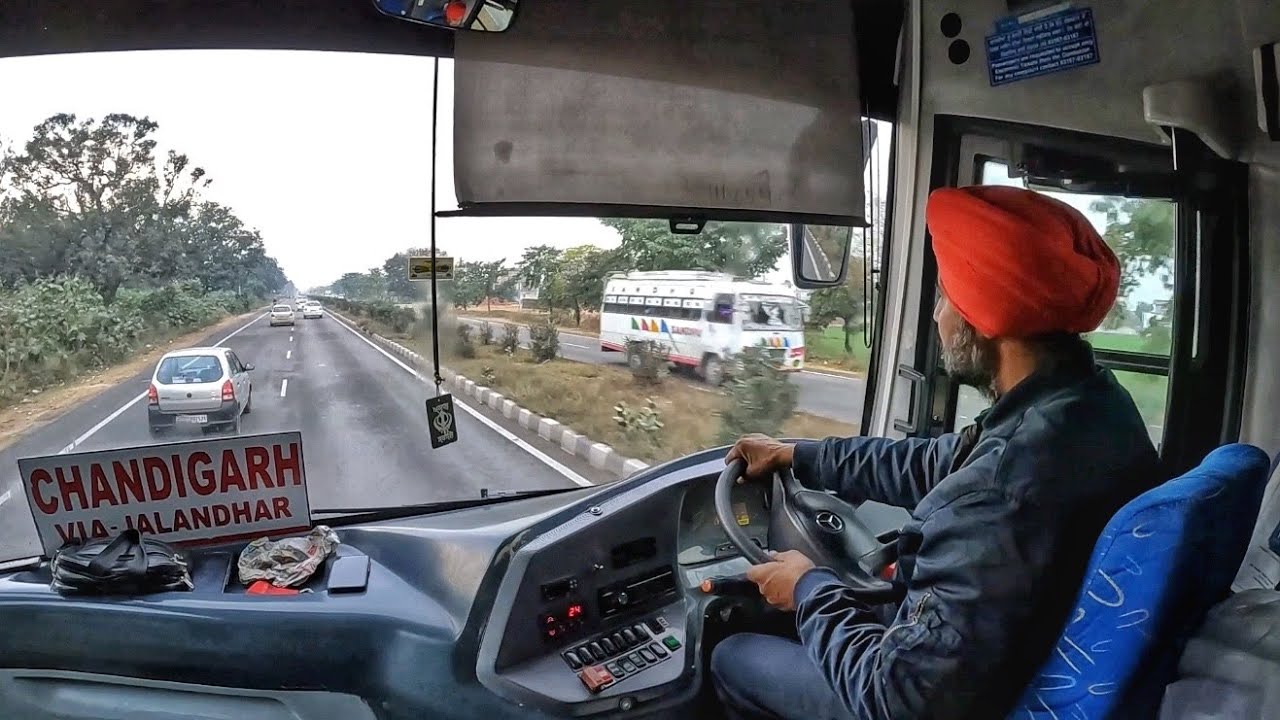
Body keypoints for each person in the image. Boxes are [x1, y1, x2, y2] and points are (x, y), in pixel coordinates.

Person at [711, 186, 1163, 720]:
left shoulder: (1000, 495)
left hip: (958, 695)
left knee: (732, 655)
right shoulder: (1083, 404)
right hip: (1012, 646)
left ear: (982, 323)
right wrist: (798, 455)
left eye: (947, 298)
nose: (937, 315)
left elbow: (896, 702)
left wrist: (808, 587)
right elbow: (933, 463)